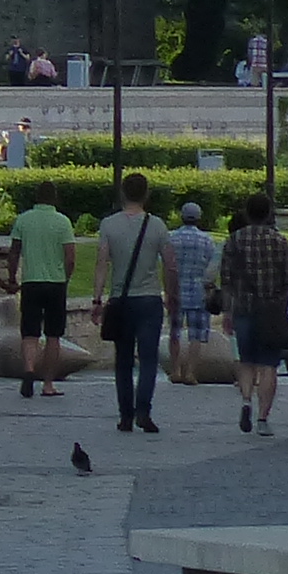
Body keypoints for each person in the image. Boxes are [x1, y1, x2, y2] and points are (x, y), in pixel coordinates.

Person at [95, 172, 168, 436]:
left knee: (123, 360)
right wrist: (172, 295)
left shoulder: (109, 225)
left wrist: (97, 298)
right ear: (146, 194)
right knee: (148, 359)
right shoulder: (157, 225)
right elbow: (170, 264)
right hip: (149, 298)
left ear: (123, 193)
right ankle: (143, 410)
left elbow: (102, 263)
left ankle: (125, 415)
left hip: (121, 300)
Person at [218, 192, 288, 436]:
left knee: (246, 360)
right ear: (268, 213)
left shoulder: (234, 240)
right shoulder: (279, 241)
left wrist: (228, 312)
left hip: (243, 309)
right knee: (269, 364)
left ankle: (246, 400)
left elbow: (226, 279)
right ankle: (263, 418)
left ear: (247, 213)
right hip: (271, 311)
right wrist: (281, 307)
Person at [8, 186, 78, 397]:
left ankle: (29, 370)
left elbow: (14, 252)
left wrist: (12, 277)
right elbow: (70, 257)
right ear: (55, 198)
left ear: (36, 197)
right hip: (56, 283)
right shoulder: (63, 222)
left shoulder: (23, 220)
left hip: (31, 282)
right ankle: (48, 384)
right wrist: (65, 277)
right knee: (53, 335)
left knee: (30, 333)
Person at [165, 197, 221, 368]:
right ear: (199, 218)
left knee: (175, 332)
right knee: (196, 334)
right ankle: (190, 371)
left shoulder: (171, 238)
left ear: (182, 216)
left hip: (176, 290)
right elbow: (212, 267)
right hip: (199, 292)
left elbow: (166, 265)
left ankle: (175, 368)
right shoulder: (207, 240)